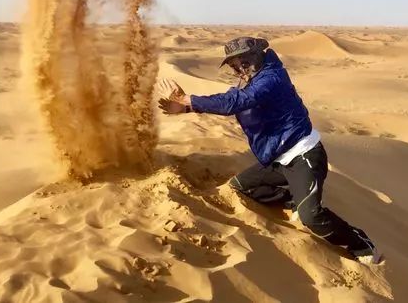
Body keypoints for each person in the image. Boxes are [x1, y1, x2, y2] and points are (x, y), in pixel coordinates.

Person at [158, 36, 382, 265]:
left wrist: (187, 99)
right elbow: (234, 102)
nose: (238, 69)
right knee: (239, 188)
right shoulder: (252, 81)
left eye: (242, 63)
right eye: (234, 66)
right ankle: (294, 199)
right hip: (278, 161)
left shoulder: (271, 78)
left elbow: (237, 102)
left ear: (255, 57)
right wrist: (185, 109)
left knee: (311, 217)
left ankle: (362, 245)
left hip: (303, 156)